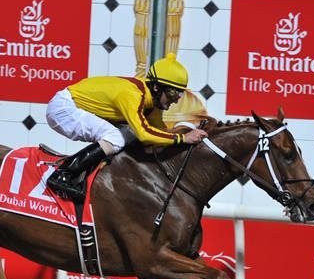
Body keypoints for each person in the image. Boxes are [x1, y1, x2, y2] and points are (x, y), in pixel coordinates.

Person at [45, 53, 208, 202]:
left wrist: (188, 135)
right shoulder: (133, 95)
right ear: (157, 87)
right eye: (173, 93)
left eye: (180, 94)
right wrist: (183, 138)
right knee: (116, 137)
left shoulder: (151, 100)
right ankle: (62, 175)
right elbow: (145, 134)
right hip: (63, 109)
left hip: (74, 107)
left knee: (129, 135)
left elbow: (161, 133)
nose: (176, 100)